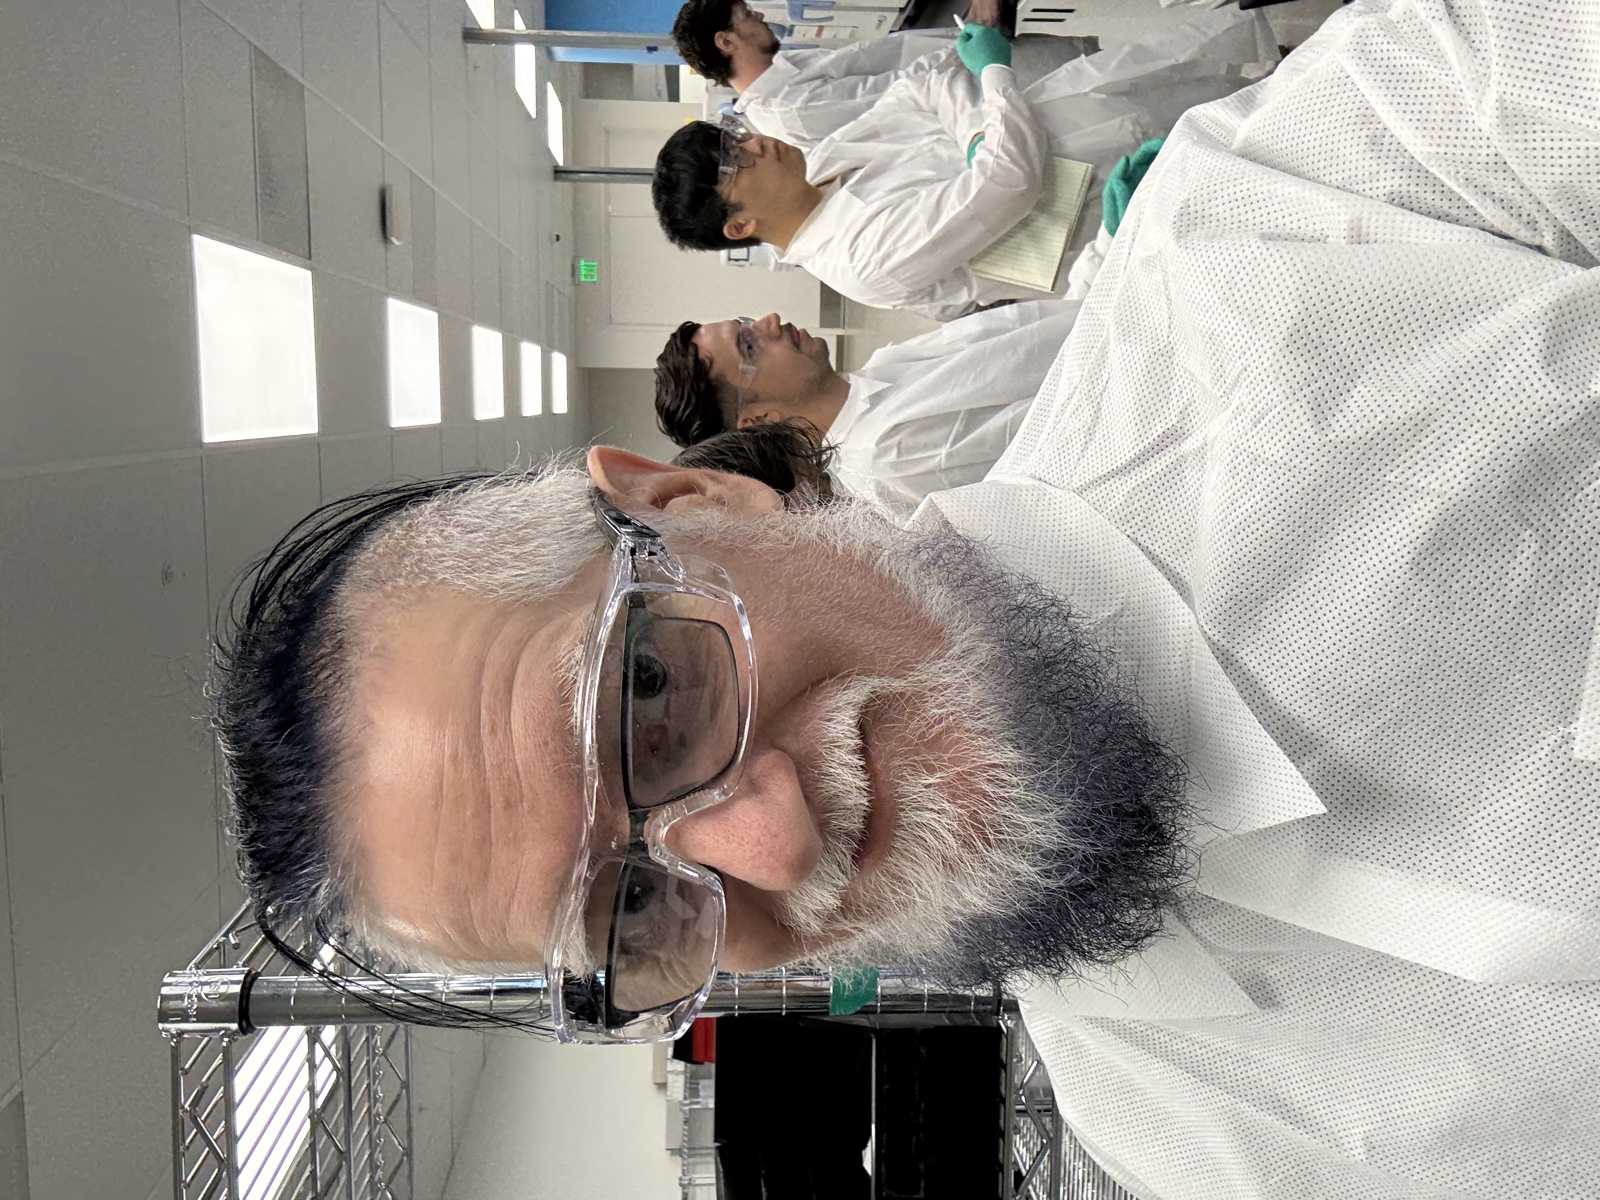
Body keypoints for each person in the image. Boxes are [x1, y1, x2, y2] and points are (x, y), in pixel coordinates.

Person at [213, 0, 1599, 1192]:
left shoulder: (1305, 213)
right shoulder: (1193, 1141)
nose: (770, 848)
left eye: (649, 694)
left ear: (700, 497)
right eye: (633, 911)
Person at [653, 5, 1274, 319]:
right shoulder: (859, 258)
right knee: (1274, 138)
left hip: (1067, 112)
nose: (754, 145)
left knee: (1246, 75)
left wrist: (981, 135)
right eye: (735, 162)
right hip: (1111, 187)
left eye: (736, 140)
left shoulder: (825, 165)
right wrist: (988, 107)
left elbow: (916, 90)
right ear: (737, 226)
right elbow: (1010, 184)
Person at [654, 300, 1080, 519]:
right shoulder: (886, 453)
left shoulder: (879, 368)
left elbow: (1032, 332)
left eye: (746, 323)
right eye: (749, 345)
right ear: (760, 420)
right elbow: (1071, 427)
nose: (770, 320)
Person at [670, 0, 956, 150]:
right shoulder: (792, 108)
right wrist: (972, 43)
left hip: (955, 53)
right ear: (726, 42)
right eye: (746, 14)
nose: (759, 16)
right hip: (961, 75)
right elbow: (905, 89)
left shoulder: (782, 70)